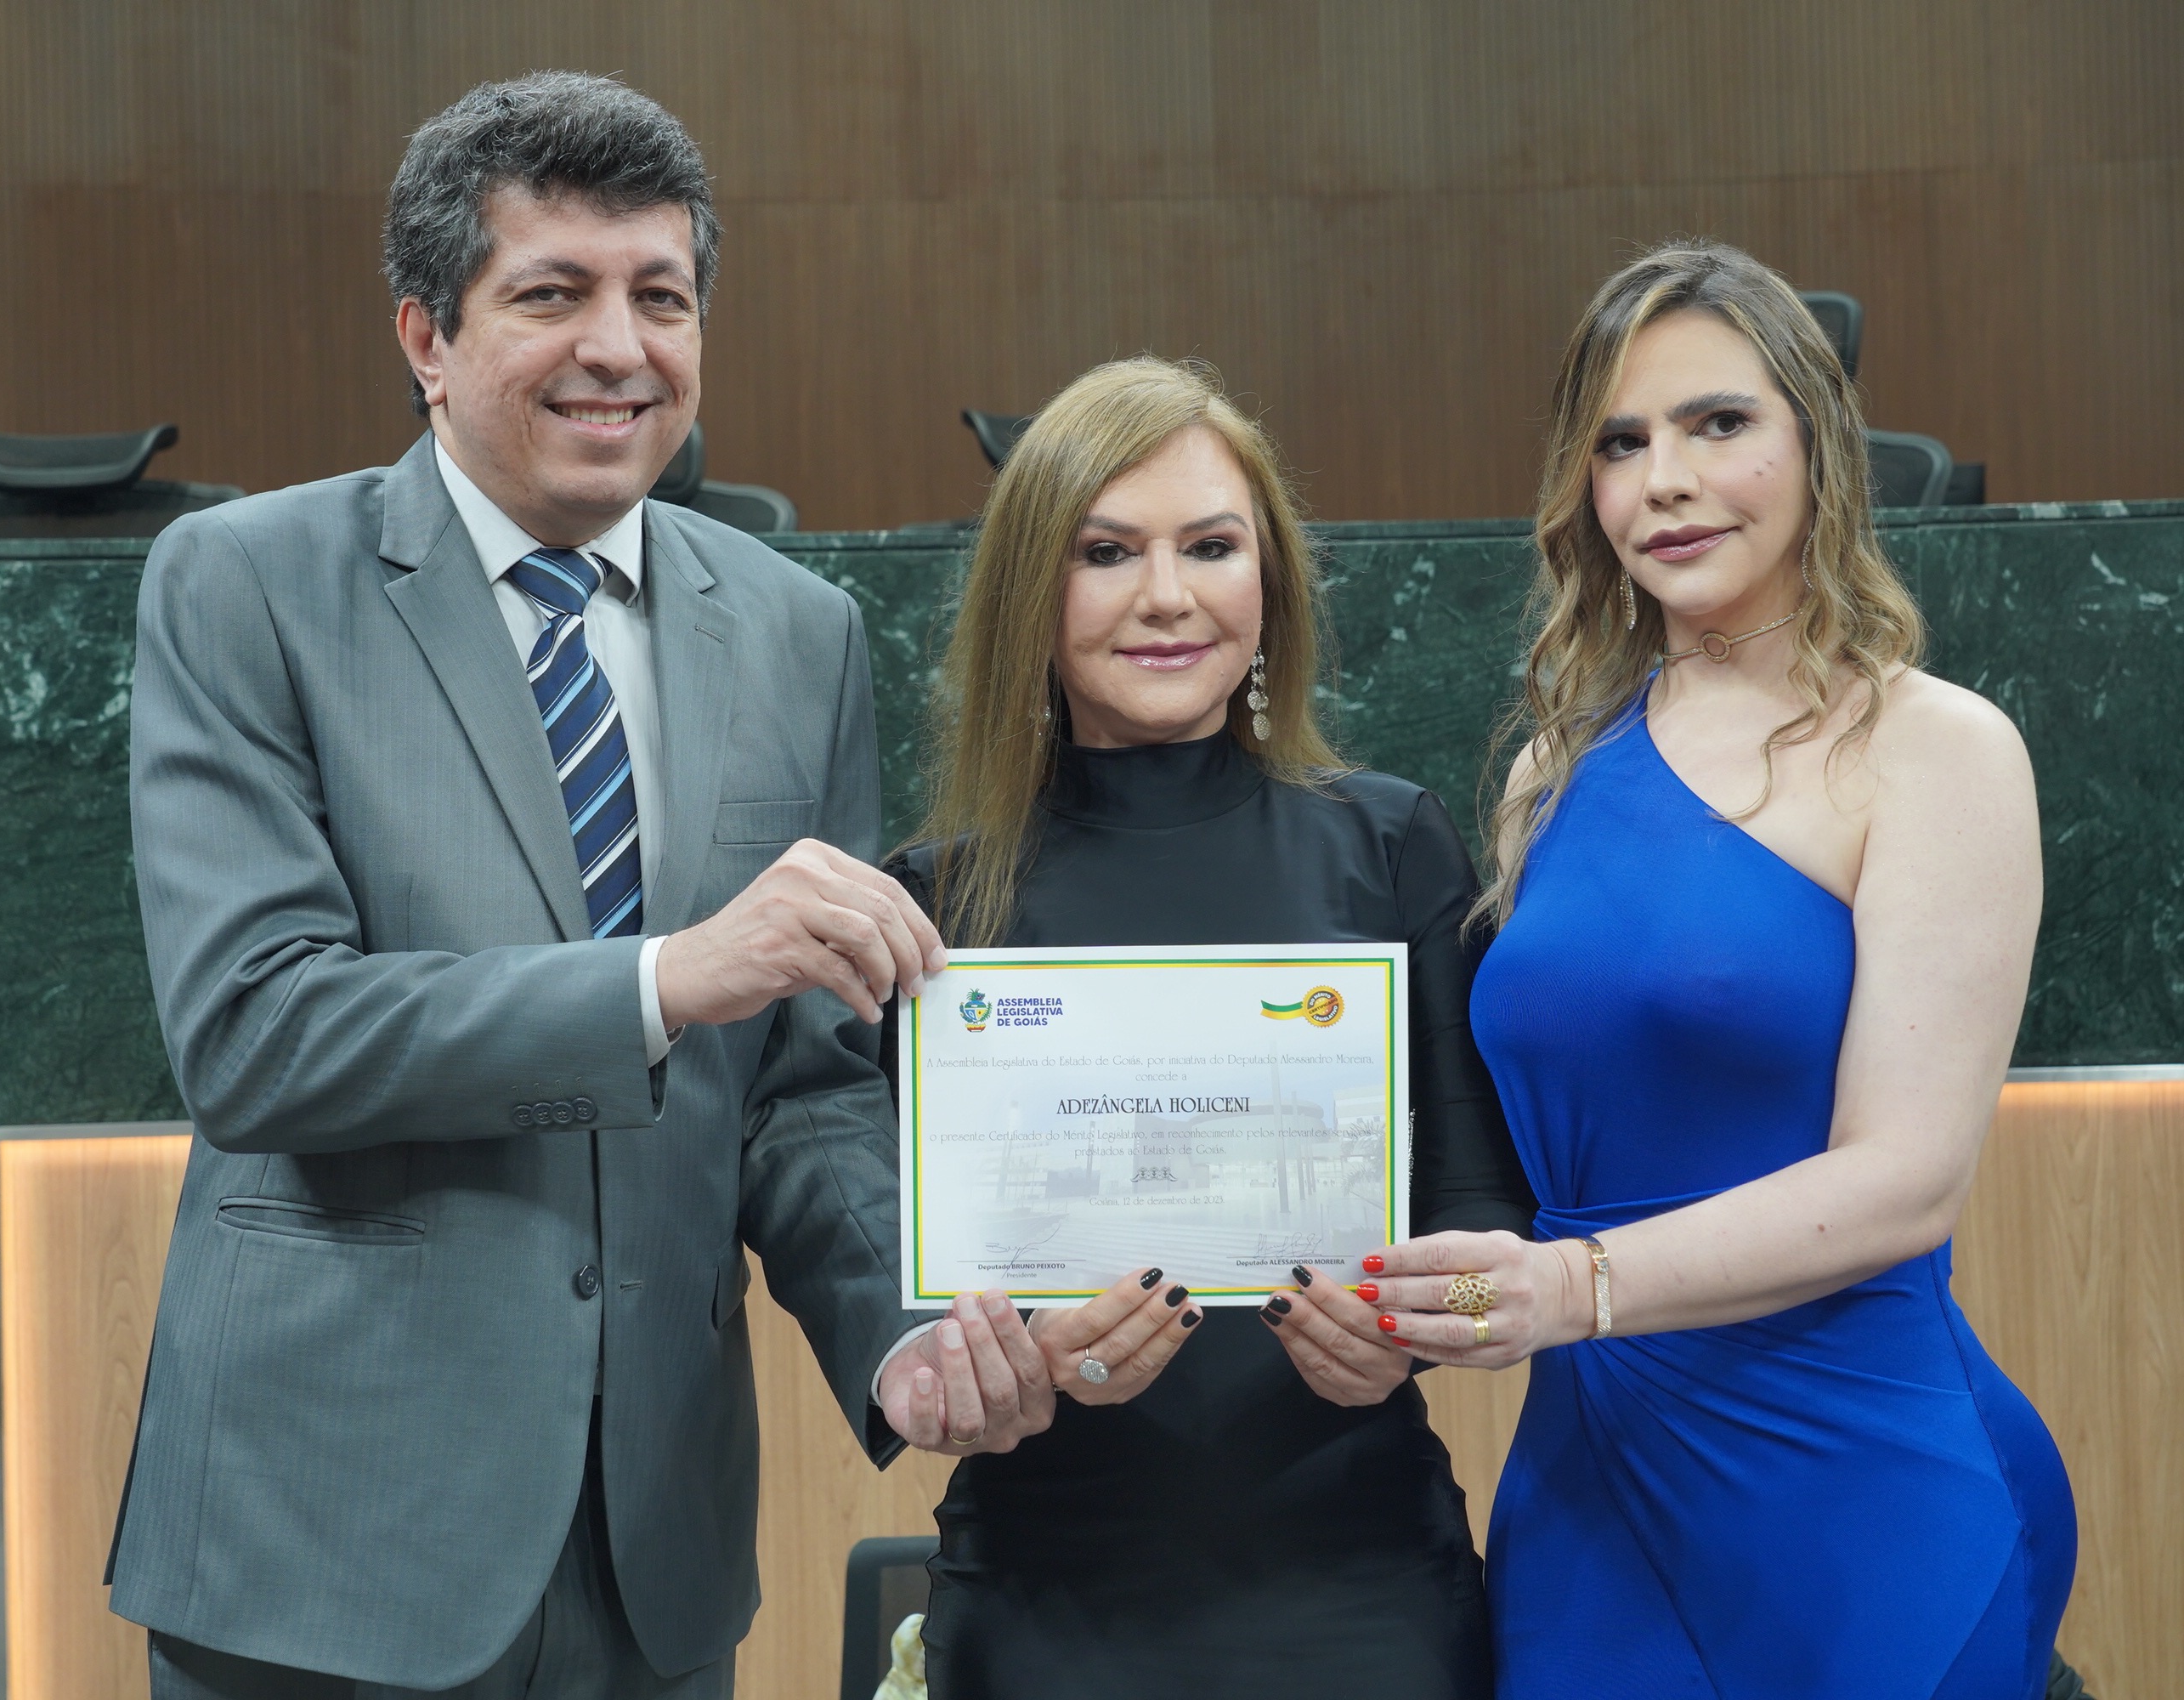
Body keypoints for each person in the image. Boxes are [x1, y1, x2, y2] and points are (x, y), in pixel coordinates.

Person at [109, 73, 1050, 1700]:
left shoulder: (798, 632)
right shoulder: (249, 583)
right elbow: (257, 1036)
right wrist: (662, 981)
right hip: (326, 1546)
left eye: (661, 298)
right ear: (427, 337)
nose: (620, 348)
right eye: (552, 294)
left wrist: (899, 1329)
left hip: (653, 1557)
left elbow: (807, 1091)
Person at [1356, 241, 2078, 1697]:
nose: (1665, 481)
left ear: (1819, 444)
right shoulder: (1552, 772)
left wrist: (1574, 1287)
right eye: (1621, 443)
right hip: (1589, 1490)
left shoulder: (1937, 749)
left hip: (1864, 1491)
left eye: (1718, 423)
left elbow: (1907, 1181)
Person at [882, 356, 1536, 1699]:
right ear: (1028, 595)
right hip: (1040, 1604)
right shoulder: (934, 904)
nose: (1167, 595)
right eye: (1106, 552)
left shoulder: (1394, 845)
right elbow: (900, 1307)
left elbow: (1502, 1261)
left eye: (1212, 546)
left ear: (1270, 581)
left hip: (1364, 1596)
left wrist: (1424, 1328)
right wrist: (1027, 1361)